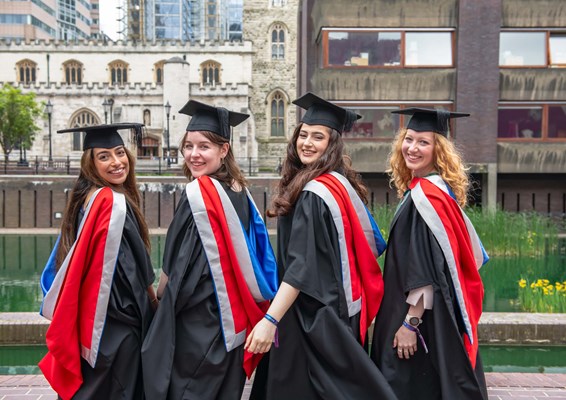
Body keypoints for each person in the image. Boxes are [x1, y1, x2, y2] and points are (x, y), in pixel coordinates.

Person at [245, 92, 397, 400]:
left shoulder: (314, 193)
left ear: (332, 145)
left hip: (309, 314)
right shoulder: (339, 183)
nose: (307, 143)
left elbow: (299, 267)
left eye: (318, 137)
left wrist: (270, 320)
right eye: (303, 135)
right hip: (339, 308)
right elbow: (371, 244)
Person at [141, 100, 279, 400]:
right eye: (188, 146)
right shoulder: (240, 191)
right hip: (233, 322)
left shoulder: (199, 194)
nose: (193, 154)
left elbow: (174, 265)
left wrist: (158, 300)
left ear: (224, 150)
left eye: (204, 146)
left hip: (198, 324)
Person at [370, 108, 490, 399]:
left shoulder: (426, 196)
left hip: (415, 316)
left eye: (423, 142)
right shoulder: (433, 191)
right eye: (408, 139)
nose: (412, 148)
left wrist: (410, 323)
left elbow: (423, 267)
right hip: (430, 315)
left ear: (439, 150)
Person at [39, 123, 157, 400]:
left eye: (119, 153)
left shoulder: (86, 197)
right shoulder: (112, 202)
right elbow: (136, 268)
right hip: (115, 322)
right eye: (104, 156)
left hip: (89, 316)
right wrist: (153, 304)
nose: (117, 162)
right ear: (90, 164)